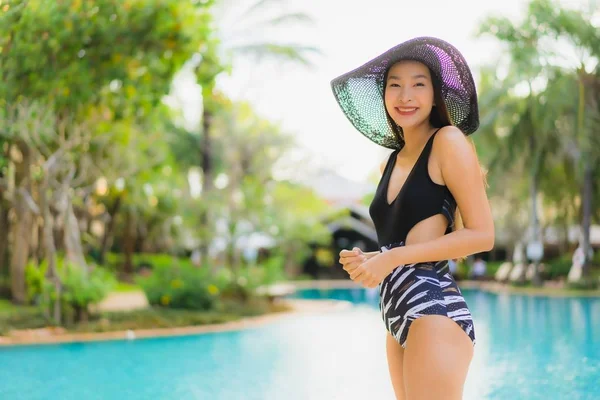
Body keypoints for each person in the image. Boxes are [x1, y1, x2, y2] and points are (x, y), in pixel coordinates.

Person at [334, 37, 494, 400]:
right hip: (396, 313)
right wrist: (372, 261)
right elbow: (408, 242)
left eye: (418, 84)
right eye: (395, 85)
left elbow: (483, 235)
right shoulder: (390, 161)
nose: (406, 95)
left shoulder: (448, 141)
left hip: (433, 307)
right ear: (385, 96)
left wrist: (391, 258)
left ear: (436, 95)